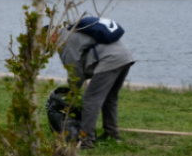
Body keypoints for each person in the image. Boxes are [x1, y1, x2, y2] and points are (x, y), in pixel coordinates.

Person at [56, 19, 134, 149]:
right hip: (125, 56)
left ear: (52, 35)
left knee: (91, 99)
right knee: (110, 97)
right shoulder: (71, 33)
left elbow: (74, 71)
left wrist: (72, 94)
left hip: (110, 59)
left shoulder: (64, 41)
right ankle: (112, 133)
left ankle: (86, 140)